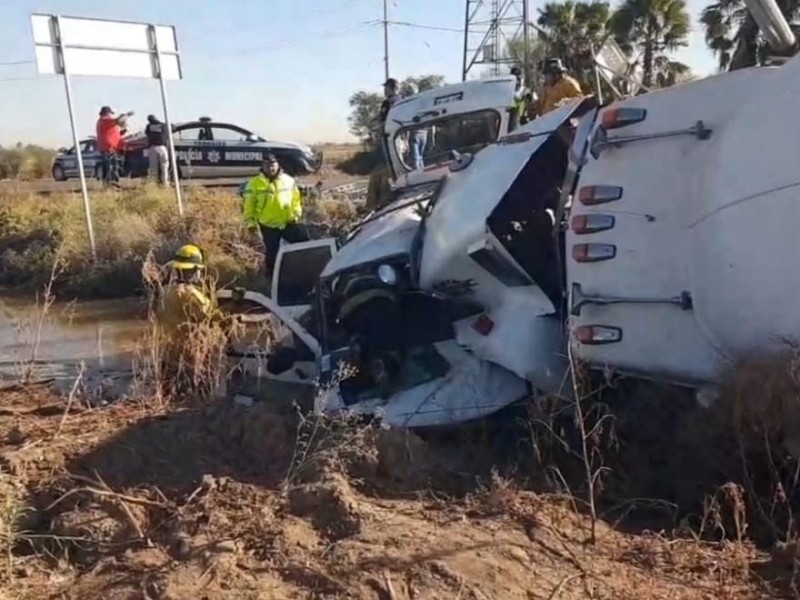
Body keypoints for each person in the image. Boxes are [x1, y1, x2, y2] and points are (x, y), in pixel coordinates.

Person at [242, 154, 309, 278]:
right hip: (269, 225)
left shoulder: (288, 180)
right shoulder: (254, 184)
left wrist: (296, 213)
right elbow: (248, 206)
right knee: (272, 253)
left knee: (304, 243)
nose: (271, 168)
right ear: (263, 166)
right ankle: (272, 277)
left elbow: (296, 199)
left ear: (278, 164)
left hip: (288, 222)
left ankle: (304, 271)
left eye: (273, 165)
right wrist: (250, 224)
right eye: (267, 165)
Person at [96, 106, 133, 188]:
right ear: (107, 113)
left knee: (110, 166)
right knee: (112, 166)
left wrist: (122, 133)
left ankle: (109, 184)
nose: (111, 116)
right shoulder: (105, 121)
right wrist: (127, 115)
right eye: (110, 114)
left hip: (107, 147)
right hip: (109, 148)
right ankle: (112, 184)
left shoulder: (102, 122)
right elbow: (118, 120)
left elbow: (111, 134)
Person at [145, 114, 170, 185]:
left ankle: (153, 183)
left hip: (153, 147)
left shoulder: (149, 126)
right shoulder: (164, 125)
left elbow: (147, 133)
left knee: (153, 167)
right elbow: (172, 128)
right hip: (162, 147)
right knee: (164, 166)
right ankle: (165, 183)